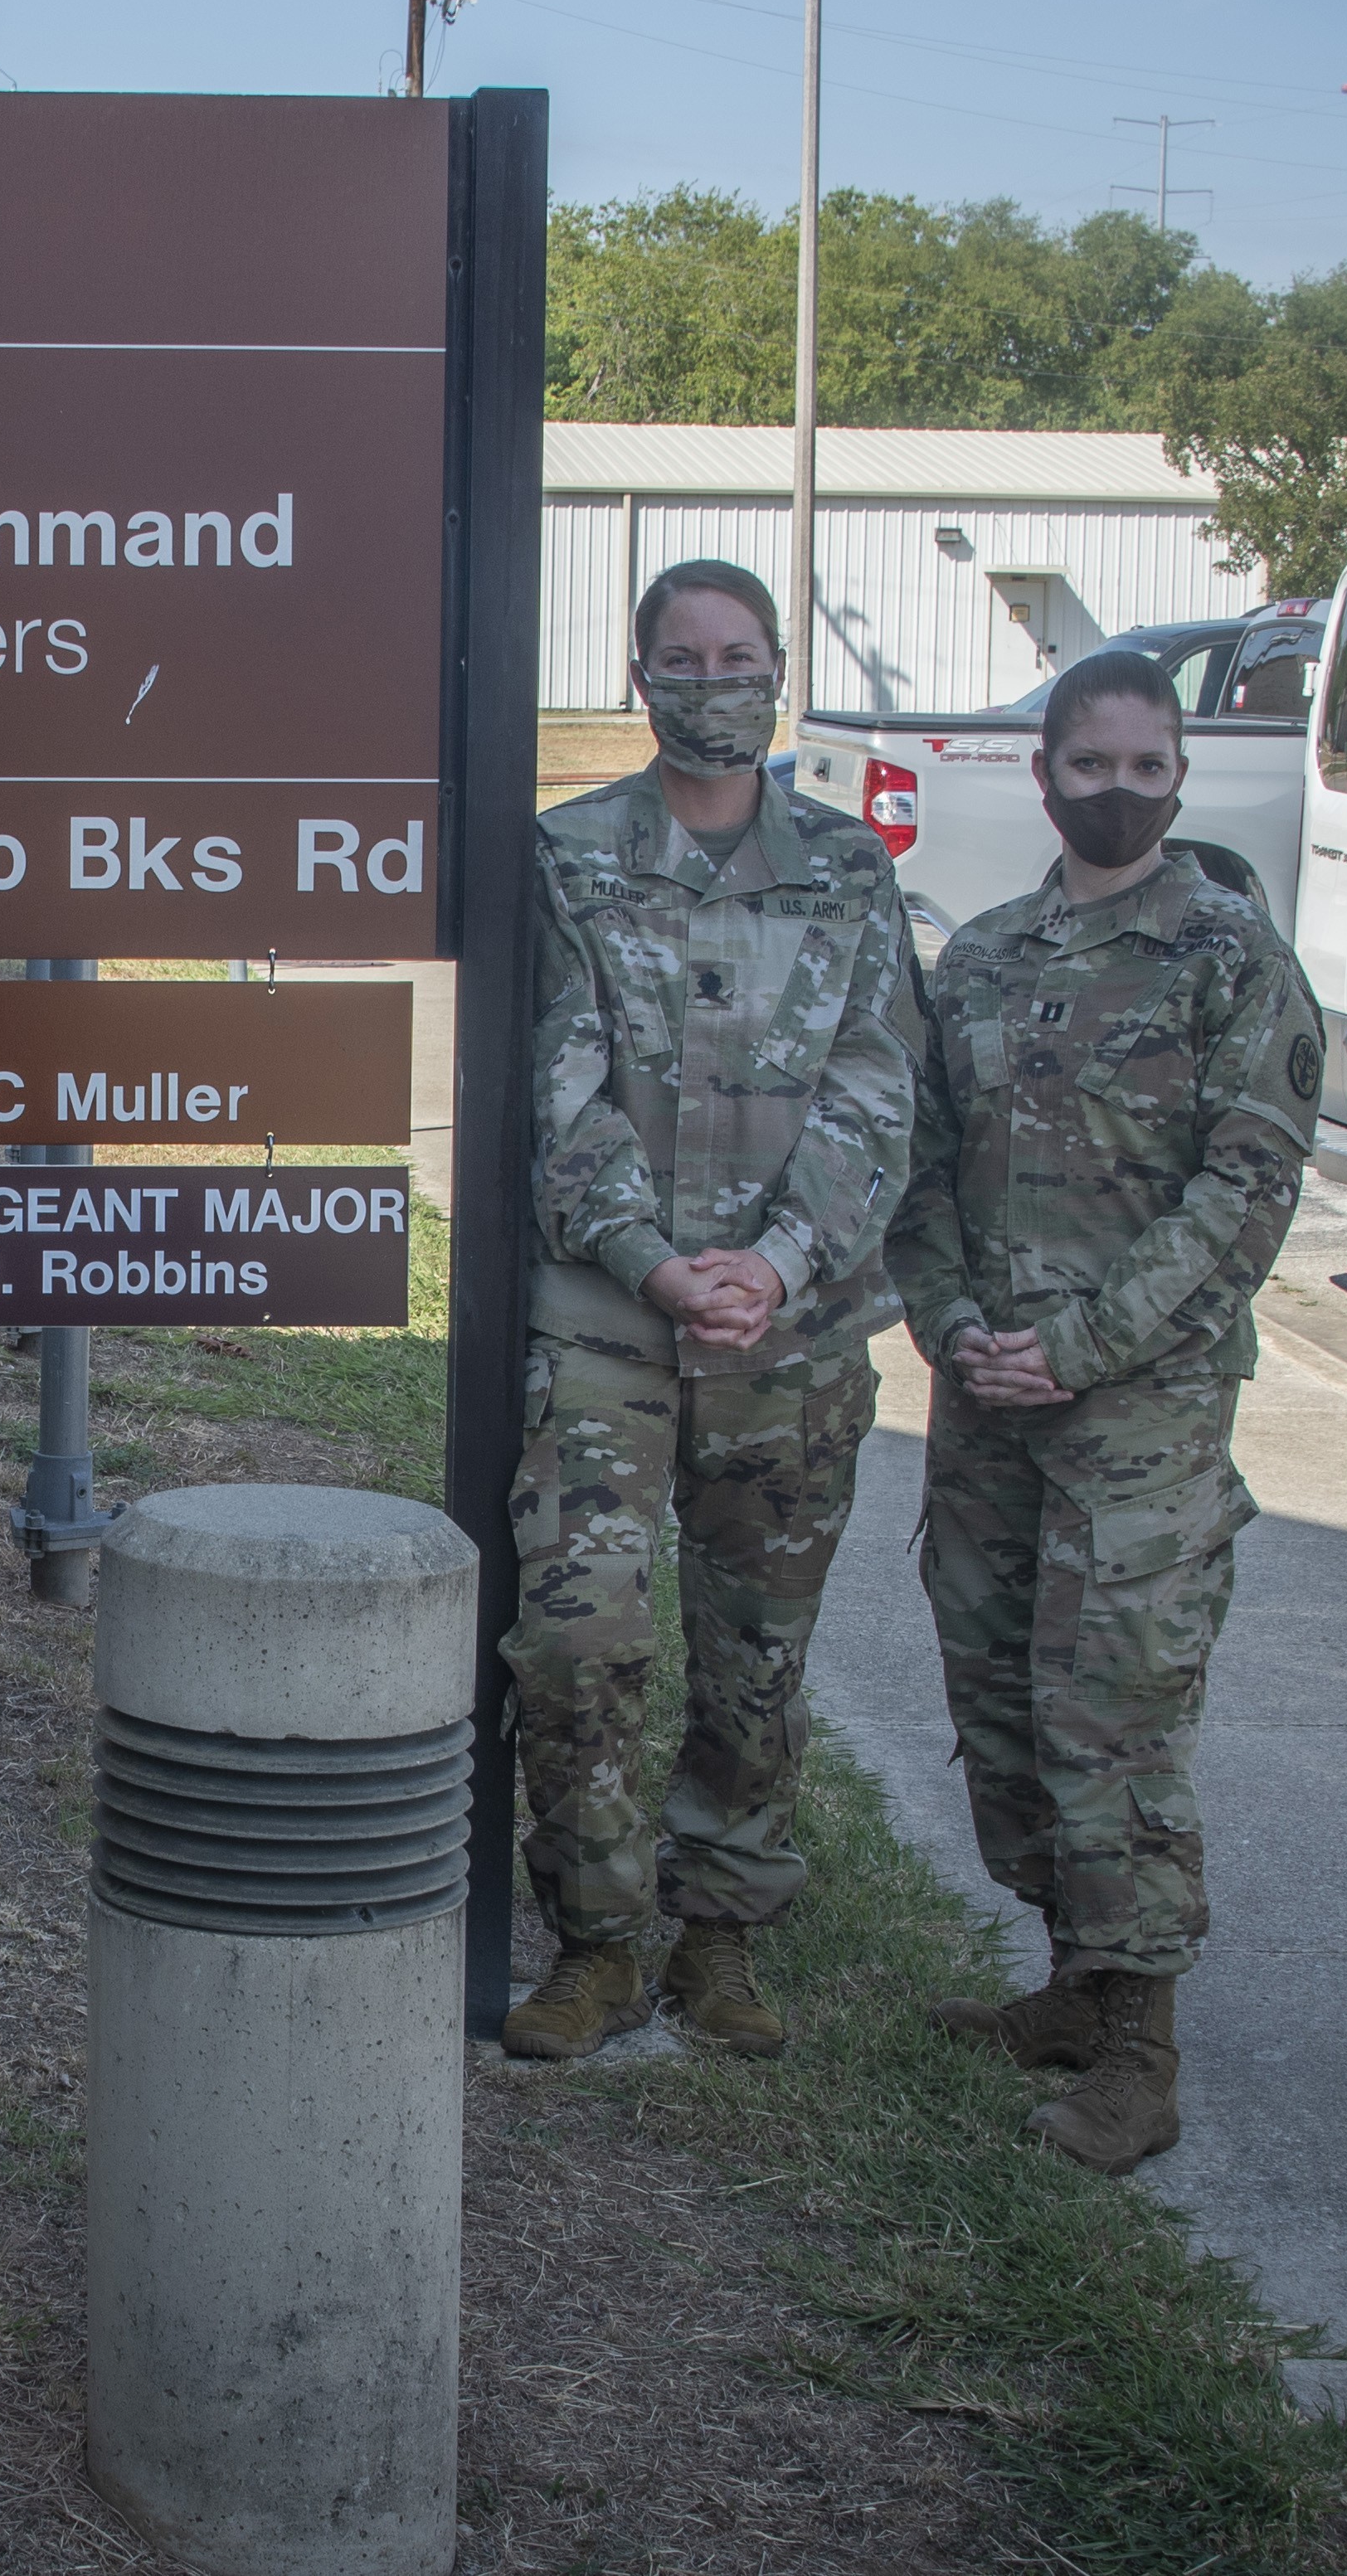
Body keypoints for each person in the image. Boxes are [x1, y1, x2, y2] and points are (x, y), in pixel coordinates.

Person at [892, 645, 1325, 2171]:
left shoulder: (1227, 955)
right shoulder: (986, 957)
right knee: (997, 1696)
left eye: (1146, 766)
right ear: (1044, 772)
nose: (1118, 789)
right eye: (1091, 764)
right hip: (985, 1399)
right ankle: (1073, 1985)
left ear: (1178, 777)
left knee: (1110, 1712)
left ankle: (1139, 2046)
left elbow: (1241, 1191)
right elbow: (919, 1164)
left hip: (1133, 1413)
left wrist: (1077, 1343)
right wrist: (950, 1321)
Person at [499, 561, 922, 2063]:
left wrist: (780, 1259)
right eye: (680, 657)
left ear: (777, 669)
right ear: (636, 676)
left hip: (787, 1332)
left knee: (755, 1649)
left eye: (739, 655)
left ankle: (721, 1938)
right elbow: (550, 1078)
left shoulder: (846, 867)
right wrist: (652, 1257)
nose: (711, 680)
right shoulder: (563, 857)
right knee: (576, 1634)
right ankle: (599, 1941)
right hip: (607, 1319)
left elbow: (877, 1083)